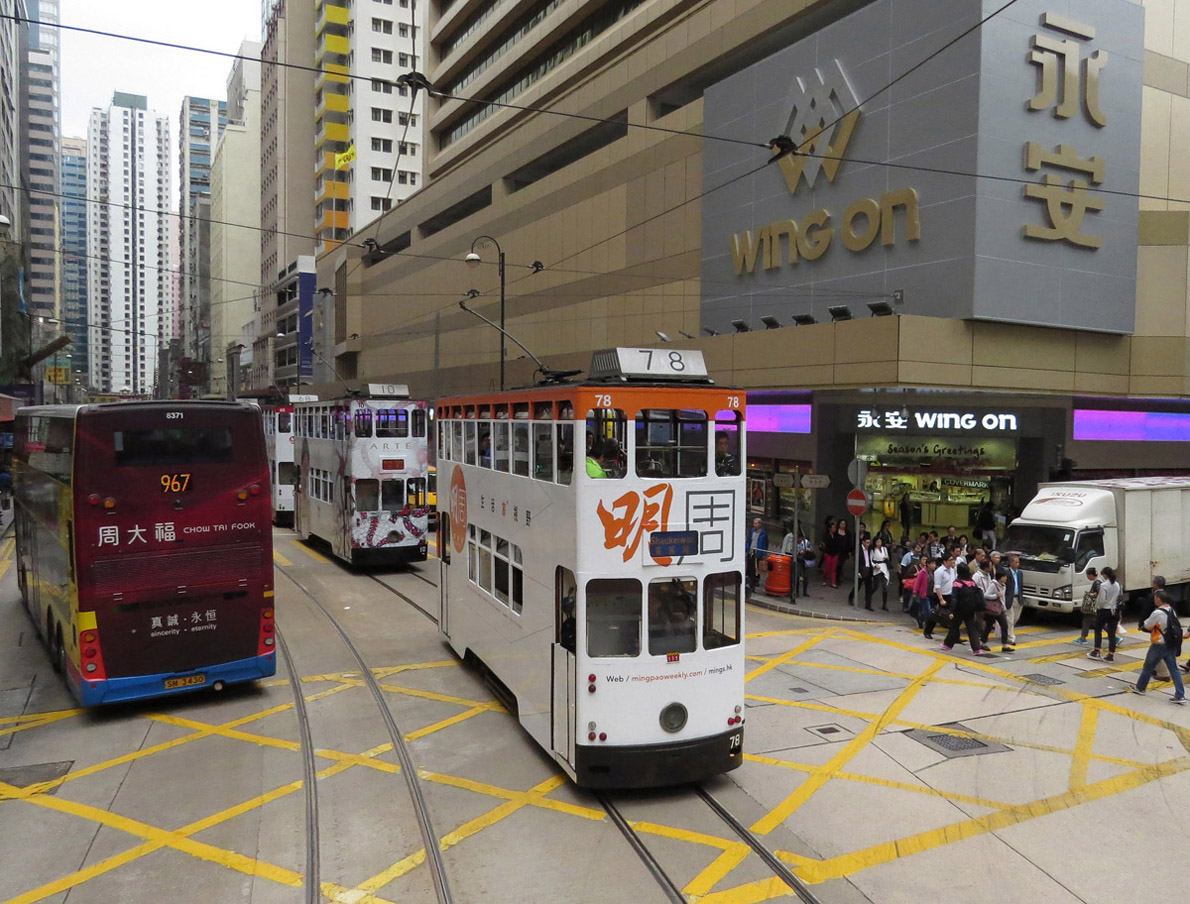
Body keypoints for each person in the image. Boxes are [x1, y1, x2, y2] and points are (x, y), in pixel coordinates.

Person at [1129, 590, 1186, 702]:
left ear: (1159, 599)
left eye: (1155, 598)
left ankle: (1140, 688)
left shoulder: (1157, 613)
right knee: (1174, 670)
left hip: (1159, 644)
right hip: (1170, 643)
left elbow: (1147, 625)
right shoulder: (1171, 610)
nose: (1154, 600)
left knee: (1148, 666)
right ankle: (1180, 695)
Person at [942, 563, 990, 654]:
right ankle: (977, 648)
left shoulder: (957, 583)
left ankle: (947, 645)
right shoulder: (972, 582)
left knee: (954, 627)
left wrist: (952, 611)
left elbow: (954, 599)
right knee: (971, 629)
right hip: (970, 609)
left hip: (959, 609)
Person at [1088, 566, 1121, 662]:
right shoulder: (1117, 585)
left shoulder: (1104, 585)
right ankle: (1111, 655)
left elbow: (1102, 600)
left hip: (1104, 610)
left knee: (1098, 629)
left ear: (1105, 575)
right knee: (1112, 634)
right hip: (1114, 610)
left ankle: (1096, 651)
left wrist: (1098, 607)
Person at [923, 554, 957, 639]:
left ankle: (955, 636)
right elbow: (937, 586)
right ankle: (927, 631)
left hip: (950, 595)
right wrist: (941, 599)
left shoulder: (952, 570)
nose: (952, 562)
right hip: (940, 595)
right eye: (950, 560)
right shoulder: (939, 572)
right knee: (936, 614)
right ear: (944, 561)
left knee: (953, 615)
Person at [981, 567, 1013, 651]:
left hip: (1000, 610)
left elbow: (1003, 599)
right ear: (1000, 577)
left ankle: (1004, 645)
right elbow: (986, 595)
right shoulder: (993, 585)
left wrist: (1004, 609)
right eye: (1004, 577)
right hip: (992, 610)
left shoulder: (1004, 586)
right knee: (989, 626)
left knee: (1004, 626)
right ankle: (982, 643)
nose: (1006, 578)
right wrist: (996, 595)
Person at [1074, 567, 1101, 643]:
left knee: (1090, 621)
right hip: (1096, 606)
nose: (1087, 577)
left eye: (1087, 575)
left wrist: (1091, 595)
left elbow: (1099, 592)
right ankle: (1083, 637)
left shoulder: (1097, 582)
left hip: (1093, 606)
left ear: (1091, 575)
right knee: (1090, 620)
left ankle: (1083, 638)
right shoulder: (1098, 580)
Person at [1003, 553, 1024, 648]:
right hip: (1009, 598)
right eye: (1015, 562)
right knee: (1010, 619)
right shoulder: (1006, 573)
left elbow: (1021, 585)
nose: (1017, 564)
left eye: (1018, 562)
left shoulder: (1020, 573)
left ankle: (1006, 632)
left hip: (1018, 598)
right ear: (1011, 563)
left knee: (1015, 618)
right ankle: (1010, 638)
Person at [848, 536, 875, 609]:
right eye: (867, 543)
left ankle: (868, 605)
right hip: (861, 570)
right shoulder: (858, 550)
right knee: (857, 586)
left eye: (869, 543)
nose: (868, 544)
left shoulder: (870, 549)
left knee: (869, 588)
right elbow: (856, 562)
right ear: (863, 542)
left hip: (869, 569)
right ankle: (851, 597)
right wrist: (858, 572)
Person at [911, 555, 935, 629]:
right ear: (928, 564)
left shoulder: (935, 572)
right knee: (927, 610)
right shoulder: (923, 572)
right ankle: (928, 627)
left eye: (934, 563)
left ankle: (920, 619)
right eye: (932, 563)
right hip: (924, 594)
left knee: (927, 610)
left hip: (932, 594)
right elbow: (917, 583)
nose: (934, 565)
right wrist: (915, 592)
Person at [745, 517, 768, 593]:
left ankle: (753, 584)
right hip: (751, 552)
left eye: (756, 523)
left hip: (758, 553)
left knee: (756, 570)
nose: (754, 525)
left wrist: (764, 554)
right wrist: (746, 549)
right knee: (750, 569)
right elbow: (748, 541)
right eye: (754, 523)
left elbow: (765, 544)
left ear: (760, 524)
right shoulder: (751, 531)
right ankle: (749, 584)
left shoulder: (763, 534)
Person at [870, 536, 891, 611]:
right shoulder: (873, 550)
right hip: (877, 568)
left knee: (885, 587)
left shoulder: (884, 549)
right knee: (875, 586)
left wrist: (886, 557)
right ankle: (868, 598)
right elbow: (871, 560)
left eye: (880, 542)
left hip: (884, 567)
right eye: (878, 542)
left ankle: (884, 604)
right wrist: (874, 565)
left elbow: (887, 557)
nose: (879, 543)